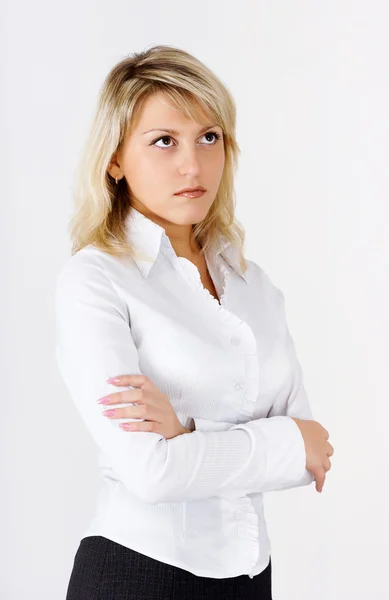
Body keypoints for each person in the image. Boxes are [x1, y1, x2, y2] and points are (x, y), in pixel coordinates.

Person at [55, 44, 334, 600]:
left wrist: (187, 436)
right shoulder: (96, 280)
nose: (193, 164)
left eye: (210, 137)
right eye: (164, 141)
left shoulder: (254, 285)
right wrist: (281, 442)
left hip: (252, 576)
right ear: (114, 159)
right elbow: (153, 473)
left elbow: (313, 452)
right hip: (138, 575)